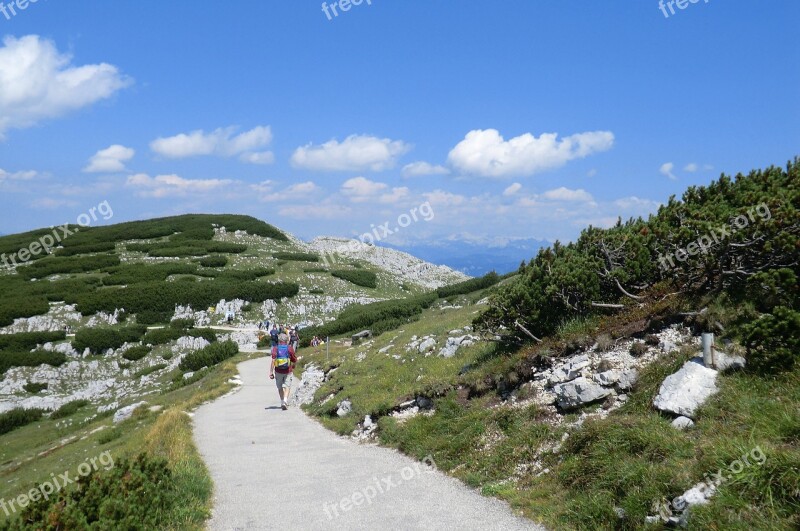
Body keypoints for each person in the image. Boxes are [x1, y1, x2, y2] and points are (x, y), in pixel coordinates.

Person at [269, 333, 297, 410]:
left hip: (278, 371)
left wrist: (271, 372)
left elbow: (273, 361)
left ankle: (282, 402)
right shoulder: (289, 348)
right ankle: (285, 401)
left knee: (280, 387)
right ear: (286, 340)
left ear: (279, 340)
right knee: (287, 386)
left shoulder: (275, 348)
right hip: (288, 370)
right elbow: (294, 359)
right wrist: (294, 365)